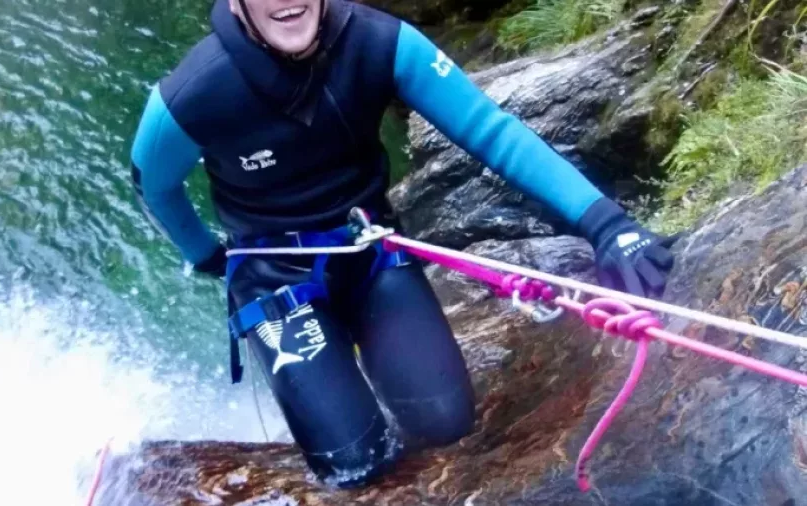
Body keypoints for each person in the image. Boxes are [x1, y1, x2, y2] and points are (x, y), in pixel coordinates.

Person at [128, 0, 676, 488]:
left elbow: (491, 130)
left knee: (446, 423)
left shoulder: (378, 42)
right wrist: (207, 256)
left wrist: (606, 224)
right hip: (275, 278)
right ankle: (333, 395)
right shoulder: (194, 93)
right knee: (353, 464)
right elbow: (153, 186)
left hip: (368, 249)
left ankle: (362, 366)